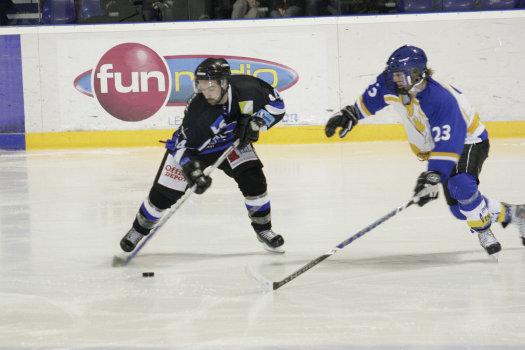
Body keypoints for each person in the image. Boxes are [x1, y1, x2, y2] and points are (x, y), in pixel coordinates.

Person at [325, 44, 525, 255]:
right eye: (393, 74)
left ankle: (483, 230)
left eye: (400, 75)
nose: (394, 79)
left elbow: (450, 143)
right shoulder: (392, 83)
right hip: (441, 145)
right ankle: (517, 214)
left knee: (461, 186)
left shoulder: (440, 100)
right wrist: (352, 114)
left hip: (469, 140)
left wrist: (433, 175)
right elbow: (372, 97)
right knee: (460, 210)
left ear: (416, 73)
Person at [120, 57, 286, 254]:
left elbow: (277, 105)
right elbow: (182, 145)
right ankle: (138, 230)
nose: (206, 93)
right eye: (201, 87)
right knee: (162, 197)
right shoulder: (200, 110)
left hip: (230, 145)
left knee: (254, 181)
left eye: (211, 87)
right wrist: (193, 171)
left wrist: (257, 122)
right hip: (193, 151)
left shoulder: (249, 88)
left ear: (224, 83)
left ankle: (264, 230)